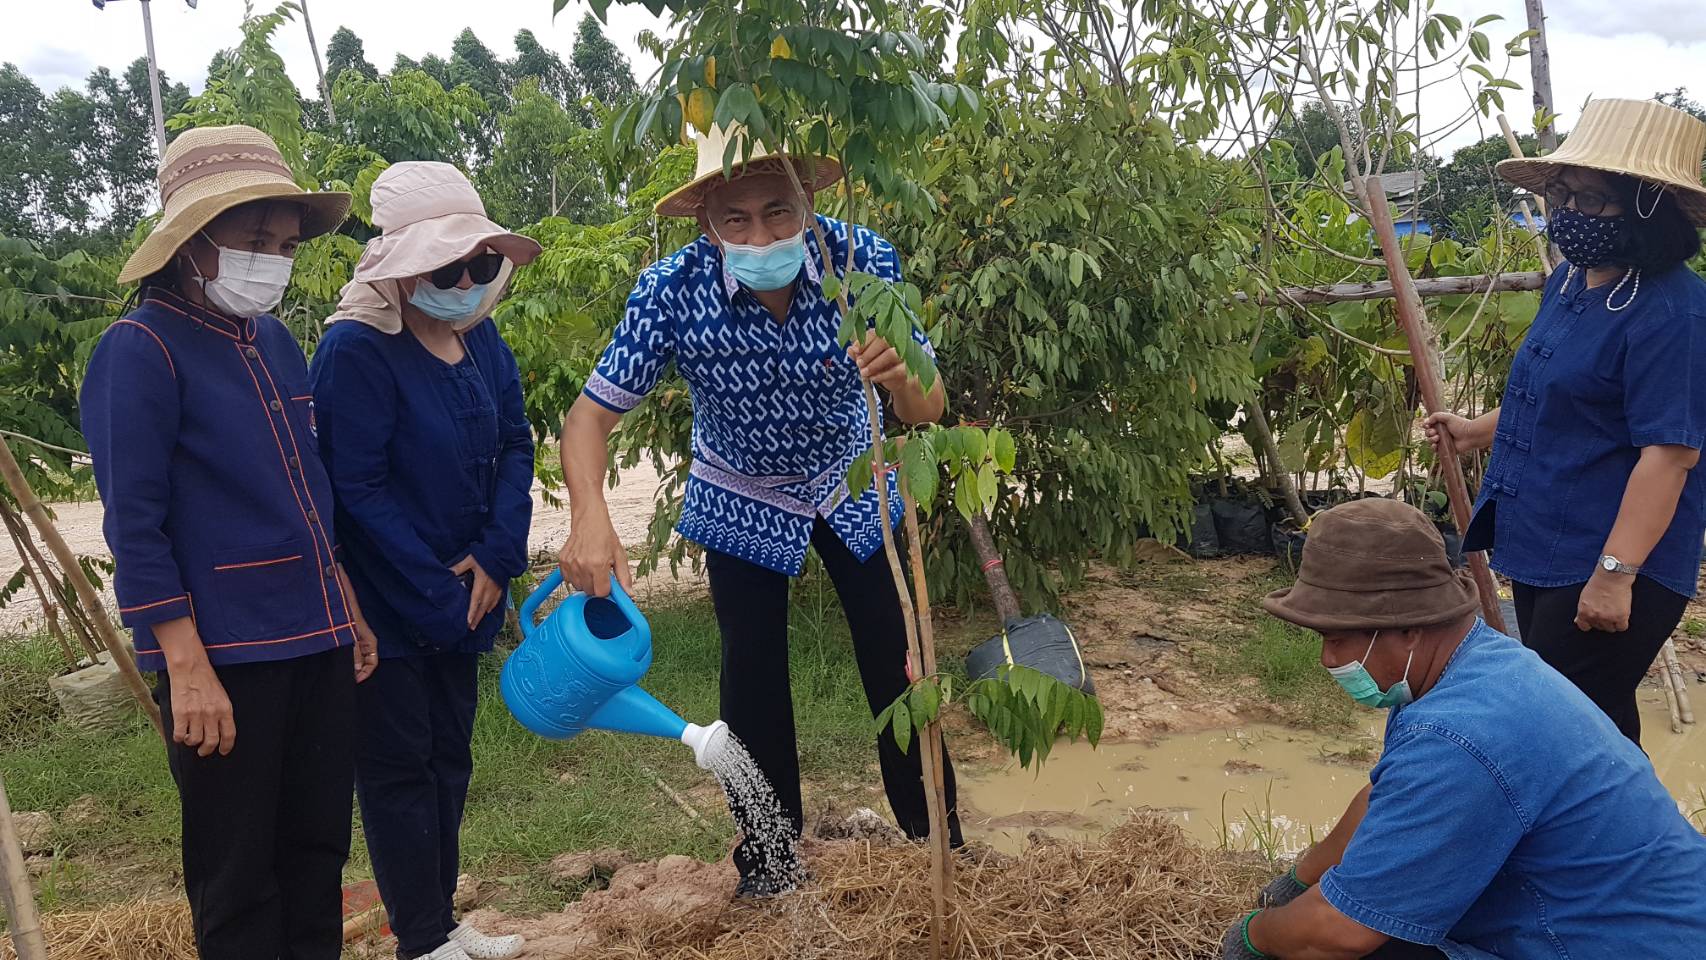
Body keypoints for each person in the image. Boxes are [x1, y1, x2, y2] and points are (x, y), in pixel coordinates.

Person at [557, 122, 959, 896]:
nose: (761, 234)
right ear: (705, 217)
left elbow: (928, 408)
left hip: (849, 473)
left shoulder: (862, 262)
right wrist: (588, 514)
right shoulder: (671, 290)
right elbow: (589, 418)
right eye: (735, 219)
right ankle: (770, 866)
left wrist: (901, 374)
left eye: (779, 211)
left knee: (898, 661)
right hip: (739, 484)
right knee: (751, 679)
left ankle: (938, 845)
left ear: (807, 201)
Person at [80, 124, 379, 959]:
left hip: (312, 640)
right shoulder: (139, 351)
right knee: (238, 875)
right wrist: (184, 665)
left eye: (283, 244)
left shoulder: (275, 342)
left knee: (316, 853)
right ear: (192, 244)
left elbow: (306, 491)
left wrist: (343, 601)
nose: (272, 260)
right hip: (223, 657)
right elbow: (133, 524)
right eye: (253, 240)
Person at [1218, 498, 1706, 960]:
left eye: (1338, 639)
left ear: (1408, 628)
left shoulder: (1458, 735)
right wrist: (1299, 880)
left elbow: (1340, 931)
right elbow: (1383, 797)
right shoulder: (1472, 665)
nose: (1328, 660)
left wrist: (1252, 937)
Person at [308, 162, 540, 960]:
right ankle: (421, 939)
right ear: (403, 269)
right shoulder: (356, 352)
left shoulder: (479, 337)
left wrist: (494, 560)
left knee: (450, 759)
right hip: (390, 607)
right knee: (399, 770)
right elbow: (356, 493)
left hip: (469, 592)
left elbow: (515, 444)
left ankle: (438, 921)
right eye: (450, 269)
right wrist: (436, 589)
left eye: (482, 264)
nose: (470, 281)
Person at [1424, 98, 1706, 744]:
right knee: (1587, 722)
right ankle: (1628, 842)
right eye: (1567, 195)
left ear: (1646, 206)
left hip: (1609, 554)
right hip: (1546, 538)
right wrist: (1475, 431)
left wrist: (1614, 575)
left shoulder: (1674, 314)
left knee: (1557, 726)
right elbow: (1557, 393)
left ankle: (1604, 841)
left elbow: (1670, 456)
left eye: (1594, 199)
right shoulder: (1572, 284)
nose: (1573, 212)